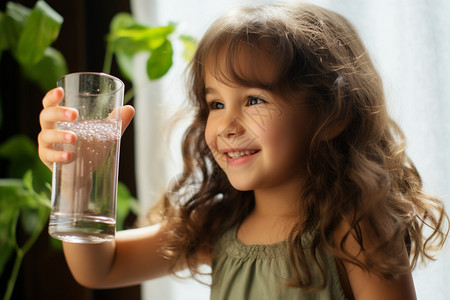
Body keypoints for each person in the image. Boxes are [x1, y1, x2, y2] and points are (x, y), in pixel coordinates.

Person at [38, 2, 448, 299]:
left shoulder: (355, 230)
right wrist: (78, 169)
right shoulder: (219, 225)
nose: (228, 126)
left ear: (331, 115)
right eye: (216, 104)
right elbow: (100, 268)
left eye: (254, 100)